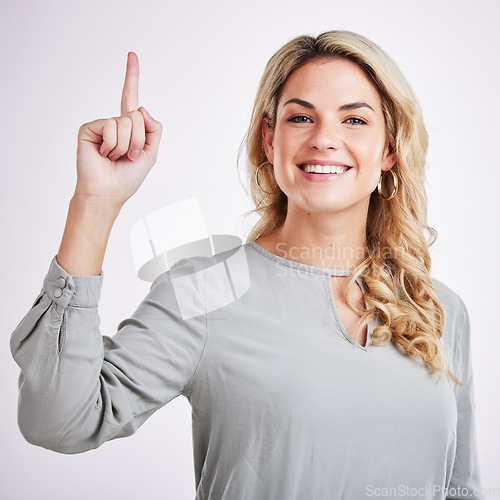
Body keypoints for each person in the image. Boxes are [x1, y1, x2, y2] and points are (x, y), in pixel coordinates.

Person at [11, 31, 483, 499]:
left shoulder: (438, 309)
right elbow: (59, 421)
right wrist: (94, 204)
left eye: (354, 121)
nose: (324, 139)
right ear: (270, 138)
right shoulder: (206, 290)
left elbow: (461, 488)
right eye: (301, 117)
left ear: (390, 150)